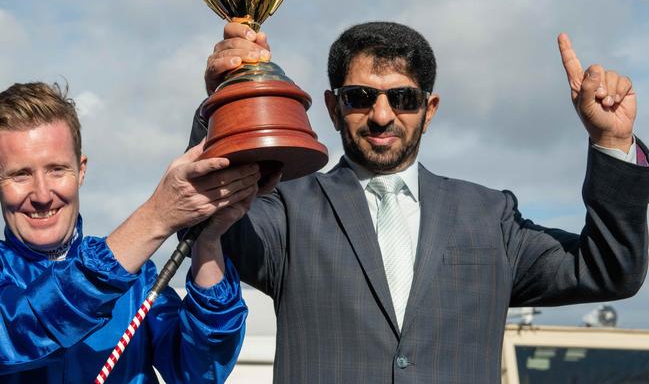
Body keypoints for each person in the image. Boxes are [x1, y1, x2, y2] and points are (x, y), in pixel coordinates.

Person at [189, 22, 649, 383]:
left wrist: (612, 142)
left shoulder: (491, 216)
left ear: (429, 111)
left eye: (404, 97)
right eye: (360, 97)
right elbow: (204, 221)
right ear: (332, 108)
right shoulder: (287, 211)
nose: (382, 114)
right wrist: (226, 100)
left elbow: (608, 270)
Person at [0, 82, 266, 383]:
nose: (42, 194)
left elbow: (199, 372)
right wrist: (156, 216)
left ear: (81, 170)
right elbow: (18, 332)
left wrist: (206, 241)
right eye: (20, 174)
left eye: (57, 170)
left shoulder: (138, 280)